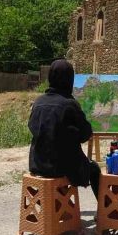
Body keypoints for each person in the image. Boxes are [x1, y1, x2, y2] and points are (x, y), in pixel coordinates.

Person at [28, 59, 100, 198]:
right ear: (69, 79)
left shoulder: (38, 102)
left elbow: (32, 127)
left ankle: (57, 207)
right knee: (94, 169)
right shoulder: (69, 104)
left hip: (37, 164)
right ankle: (105, 208)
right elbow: (85, 134)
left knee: (66, 159)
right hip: (61, 167)